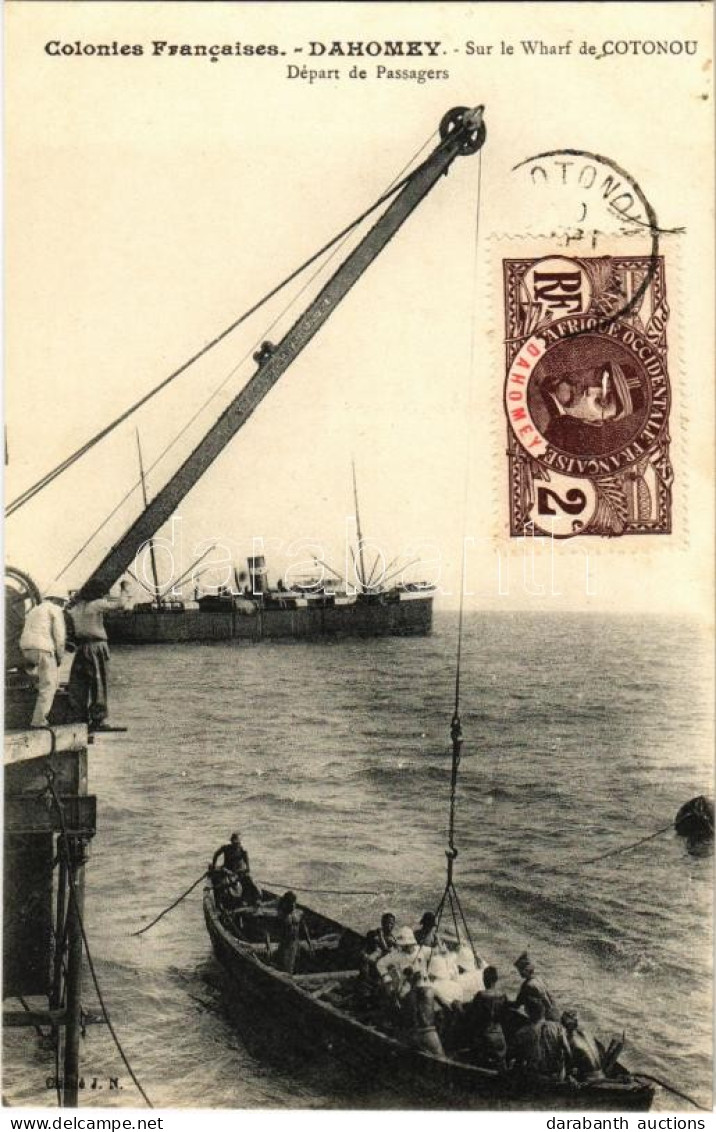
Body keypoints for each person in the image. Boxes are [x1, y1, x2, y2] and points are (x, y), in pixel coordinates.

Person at [67, 579, 131, 730]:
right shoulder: (97, 604)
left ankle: (79, 717)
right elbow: (120, 605)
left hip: (81, 648)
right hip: (97, 646)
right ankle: (98, 720)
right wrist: (124, 589)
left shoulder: (76, 607)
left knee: (78, 683)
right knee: (99, 682)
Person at [19, 589, 68, 727]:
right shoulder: (55, 610)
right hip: (43, 648)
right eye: (63, 603)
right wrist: (60, 657)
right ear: (58, 600)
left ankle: (29, 714)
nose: (63, 606)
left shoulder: (35, 609)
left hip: (26, 648)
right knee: (49, 684)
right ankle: (39, 721)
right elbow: (60, 637)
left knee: (37, 681)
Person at [511, 998, 571, 1081]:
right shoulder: (558, 1027)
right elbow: (568, 1052)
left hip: (537, 1078)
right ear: (544, 1012)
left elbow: (519, 1059)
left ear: (527, 1012)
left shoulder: (522, 1033)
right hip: (558, 1076)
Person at [465, 965, 508, 1070]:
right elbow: (505, 1016)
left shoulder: (481, 996)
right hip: (500, 1036)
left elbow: (472, 1017)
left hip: (484, 1037)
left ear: (484, 979)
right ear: (496, 979)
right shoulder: (503, 995)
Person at [401, 969, 445, 1058]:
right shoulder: (431, 990)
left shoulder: (407, 995)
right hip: (428, 1032)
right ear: (424, 979)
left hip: (412, 1033)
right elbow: (447, 1007)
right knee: (442, 1058)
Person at [211, 833, 261, 906]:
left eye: (238, 842)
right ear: (231, 842)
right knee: (225, 883)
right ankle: (223, 901)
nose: (236, 844)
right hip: (227, 869)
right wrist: (214, 865)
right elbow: (216, 854)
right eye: (235, 842)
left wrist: (247, 868)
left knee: (249, 880)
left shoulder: (242, 850)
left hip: (238, 871)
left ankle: (255, 898)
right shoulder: (226, 848)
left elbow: (247, 862)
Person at [513, 952, 560, 1021]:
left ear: (525, 970)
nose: (519, 973)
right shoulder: (540, 979)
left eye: (520, 970)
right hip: (553, 1014)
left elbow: (518, 1003)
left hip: (540, 1019)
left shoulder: (528, 985)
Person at [561, 1010, 605, 1082]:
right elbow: (602, 1049)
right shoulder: (587, 1033)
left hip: (588, 1079)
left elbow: (567, 1060)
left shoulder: (568, 1038)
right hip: (602, 1074)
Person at [275, 890, 304, 974]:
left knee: (288, 963)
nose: (293, 904)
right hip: (287, 941)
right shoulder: (283, 914)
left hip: (292, 941)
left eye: (294, 903)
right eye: (292, 902)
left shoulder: (295, 913)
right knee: (286, 963)